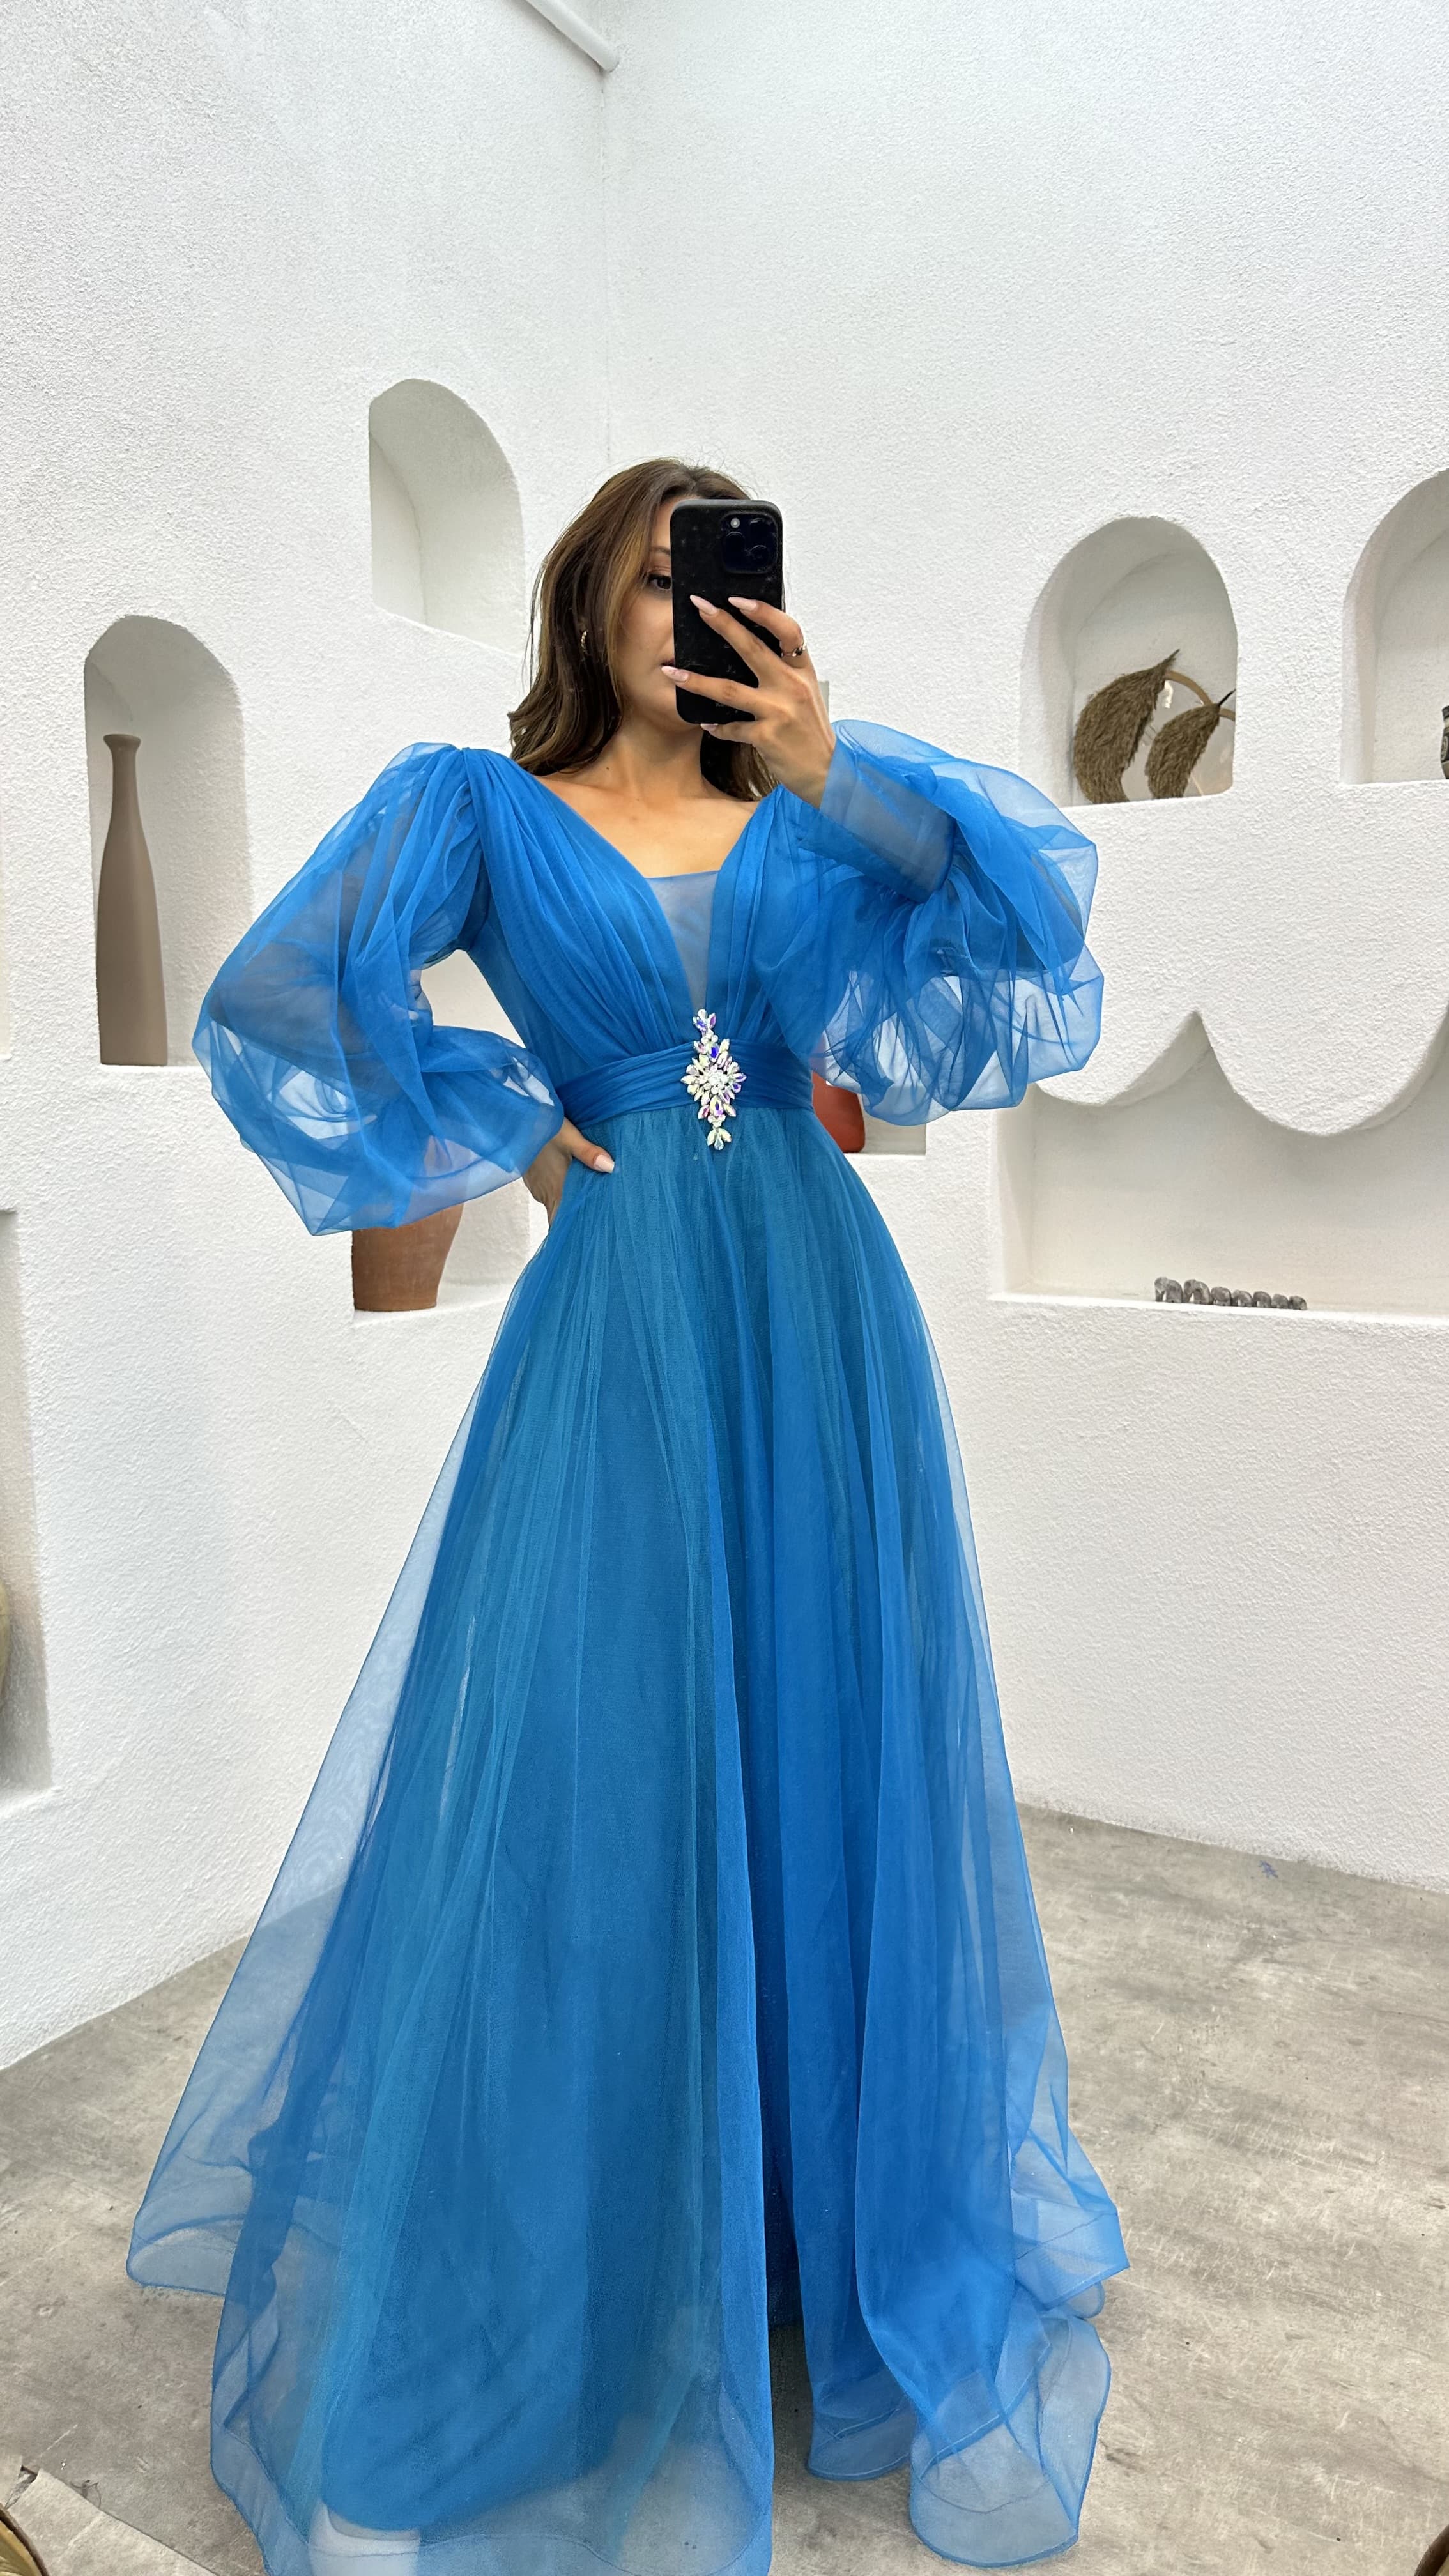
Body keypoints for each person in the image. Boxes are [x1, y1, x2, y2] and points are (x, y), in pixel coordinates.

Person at [126, 458, 1128, 2576]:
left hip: (816, 1314)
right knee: (599, 1755)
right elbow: (278, 994)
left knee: (829, 1741)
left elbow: (1023, 921)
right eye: (660, 576)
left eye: (725, 578)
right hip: (620, 1323)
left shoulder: (809, 813)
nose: (693, 609)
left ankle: (804, 2221)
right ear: (587, 596)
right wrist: (505, 1124)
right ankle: (597, 2235)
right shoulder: (472, 812)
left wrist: (833, 759)